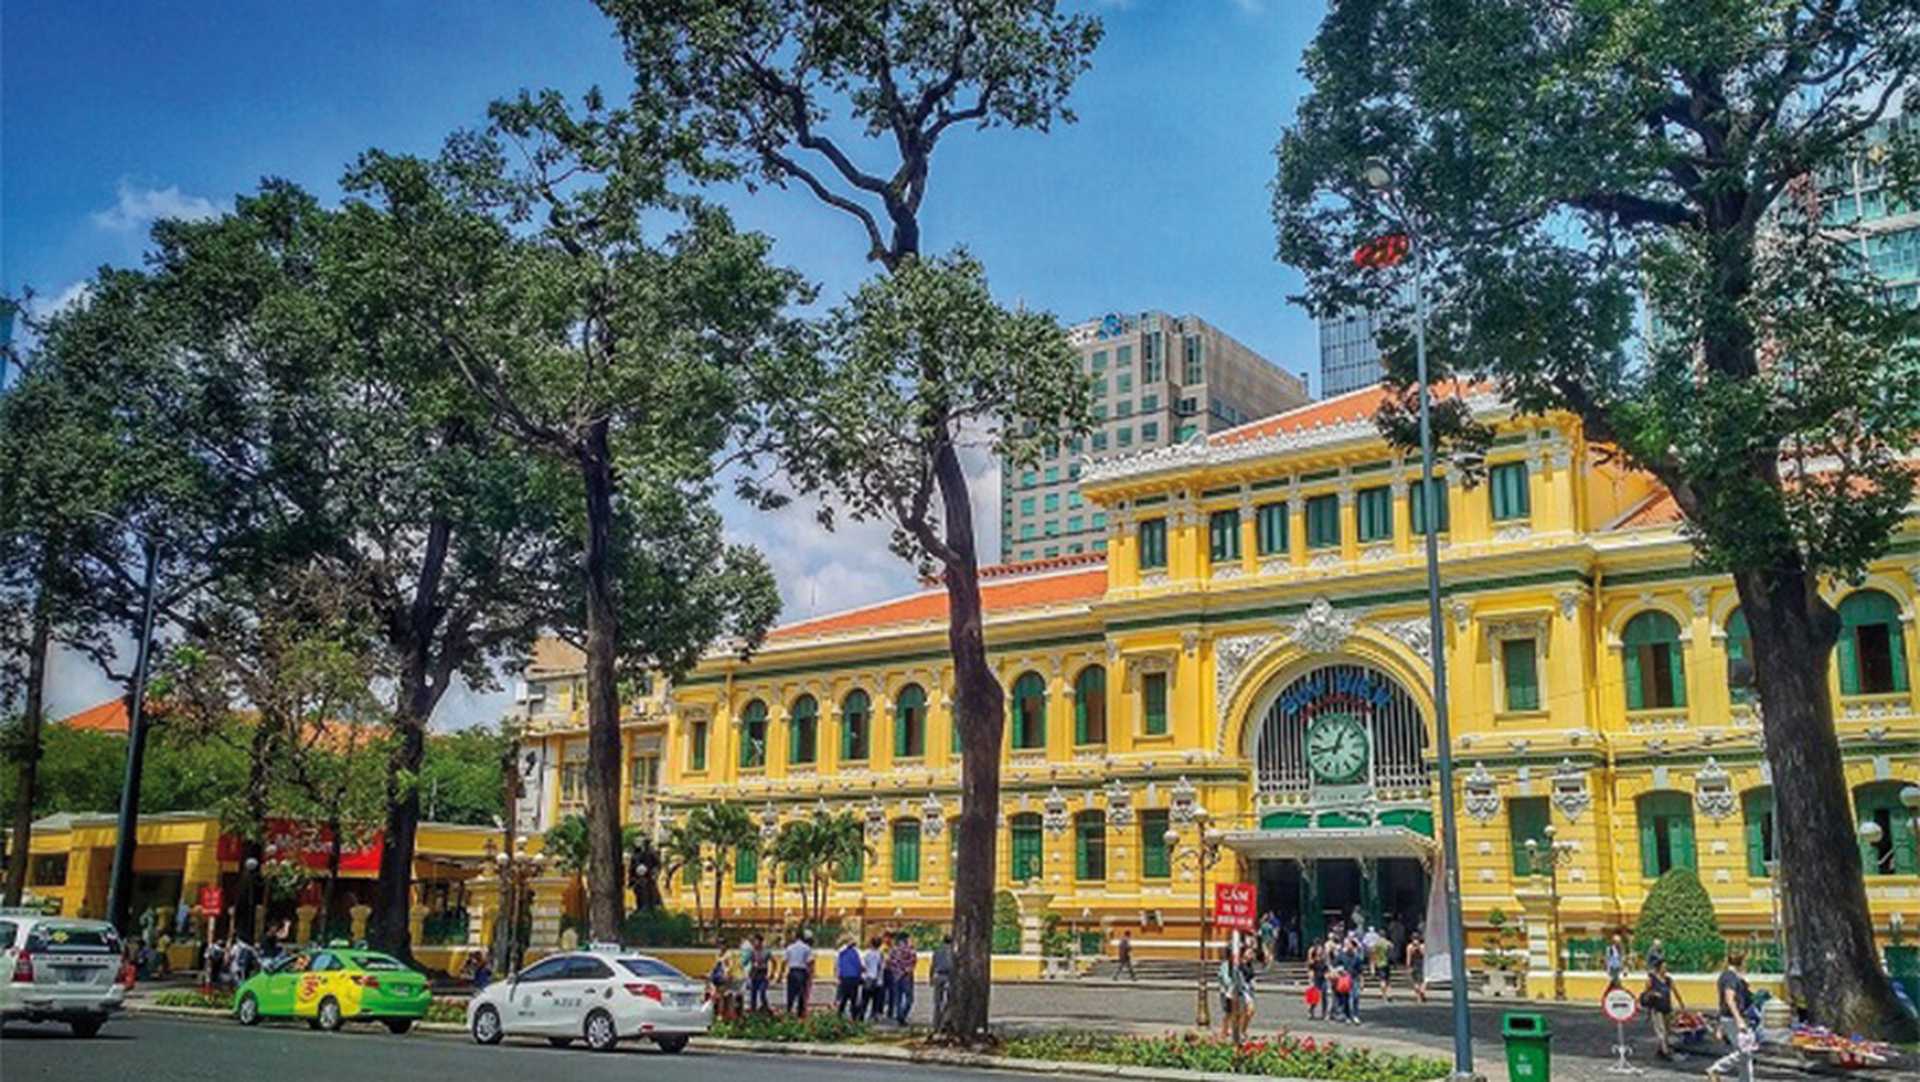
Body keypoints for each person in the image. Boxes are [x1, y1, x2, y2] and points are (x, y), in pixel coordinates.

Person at [1708, 952, 1756, 1082]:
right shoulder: (1730, 977)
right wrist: (1739, 1020)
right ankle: (1716, 1069)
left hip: (1730, 1018)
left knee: (1746, 1054)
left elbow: (1722, 1002)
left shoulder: (1730, 976)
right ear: (1741, 962)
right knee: (1744, 1052)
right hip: (1733, 1019)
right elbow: (1729, 1000)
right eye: (1745, 961)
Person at [1642, 957, 1684, 1060]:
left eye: (1666, 967)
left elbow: (1675, 991)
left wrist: (1681, 1004)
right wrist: (1653, 994)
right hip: (1657, 1009)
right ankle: (1665, 1052)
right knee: (1661, 1031)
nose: (1665, 969)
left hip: (1667, 1008)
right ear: (1658, 968)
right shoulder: (1651, 980)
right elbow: (1645, 994)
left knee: (1667, 1030)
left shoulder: (1668, 980)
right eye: (1663, 967)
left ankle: (1661, 1050)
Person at [887, 932, 918, 1025]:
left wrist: (895, 971)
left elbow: (889, 963)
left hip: (896, 977)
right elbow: (913, 963)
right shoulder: (911, 951)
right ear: (906, 940)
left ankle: (899, 1015)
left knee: (898, 998)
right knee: (909, 999)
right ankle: (902, 1015)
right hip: (907, 976)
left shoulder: (892, 951)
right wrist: (906, 970)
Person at [783, 929, 814, 1016]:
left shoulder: (789, 947)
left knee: (790, 994)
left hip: (792, 972)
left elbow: (784, 961)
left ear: (795, 937)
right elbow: (810, 962)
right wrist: (811, 975)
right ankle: (800, 1014)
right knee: (802, 995)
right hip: (802, 972)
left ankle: (789, 1011)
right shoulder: (806, 948)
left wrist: (781, 974)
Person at [930, 934, 955, 1030]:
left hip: (938, 975)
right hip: (949, 976)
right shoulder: (953, 951)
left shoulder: (937, 950)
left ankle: (936, 1023)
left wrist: (931, 977)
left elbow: (933, 965)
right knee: (950, 1000)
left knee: (937, 1001)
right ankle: (944, 1021)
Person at [834, 937, 864, 1018]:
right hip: (854, 977)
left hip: (844, 977)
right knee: (854, 998)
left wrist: (838, 976)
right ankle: (854, 1017)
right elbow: (861, 966)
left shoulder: (841, 953)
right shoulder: (857, 952)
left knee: (844, 997)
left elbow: (837, 965)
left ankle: (839, 1015)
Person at [746, 933, 773, 1014]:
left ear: (760, 942)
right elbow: (749, 962)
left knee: (762, 992)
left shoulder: (766, 951)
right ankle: (753, 1010)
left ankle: (766, 1008)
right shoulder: (752, 951)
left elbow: (773, 962)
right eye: (754, 941)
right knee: (753, 993)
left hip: (763, 973)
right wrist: (749, 974)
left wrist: (771, 973)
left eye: (756, 941)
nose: (754, 943)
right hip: (754, 973)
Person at [709, 947, 738, 1021]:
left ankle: (729, 1015)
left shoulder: (730, 967)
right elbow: (712, 977)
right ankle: (721, 1014)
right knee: (721, 996)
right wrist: (713, 987)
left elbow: (733, 978)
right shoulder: (718, 966)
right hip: (719, 985)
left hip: (727, 985)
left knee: (728, 996)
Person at [861, 936, 885, 1021]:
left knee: (865, 1000)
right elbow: (882, 967)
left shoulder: (866, 954)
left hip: (868, 978)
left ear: (871, 943)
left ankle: (861, 1015)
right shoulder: (881, 954)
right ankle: (874, 1015)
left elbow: (863, 966)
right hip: (878, 981)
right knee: (876, 1001)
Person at [1306, 940, 1329, 1020]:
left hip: (1323, 979)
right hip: (1316, 979)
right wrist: (1311, 979)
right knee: (1314, 997)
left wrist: (1327, 974)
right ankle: (1311, 1011)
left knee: (1324, 996)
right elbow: (1310, 970)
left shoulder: (1324, 961)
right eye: (1318, 949)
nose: (1320, 951)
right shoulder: (1313, 961)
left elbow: (1326, 969)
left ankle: (1324, 1013)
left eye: (1321, 949)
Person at [1370, 927, 1392, 1003]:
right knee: (1387, 979)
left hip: (1379, 963)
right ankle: (1388, 994)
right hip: (1387, 962)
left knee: (1382, 980)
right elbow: (1392, 947)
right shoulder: (1387, 943)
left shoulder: (1376, 944)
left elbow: (1373, 954)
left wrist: (1372, 965)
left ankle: (1384, 995)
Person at [1406, 932, 1428, 1004]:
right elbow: (1425, 956)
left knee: (1415, 981)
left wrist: (1408, 967)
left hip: (1414, 965)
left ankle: (1418, 998)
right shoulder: (1423, 946)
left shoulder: (1409, 947)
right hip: (1422, 964)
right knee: (1423, 980)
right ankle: (1422, 991)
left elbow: (1408, 958)